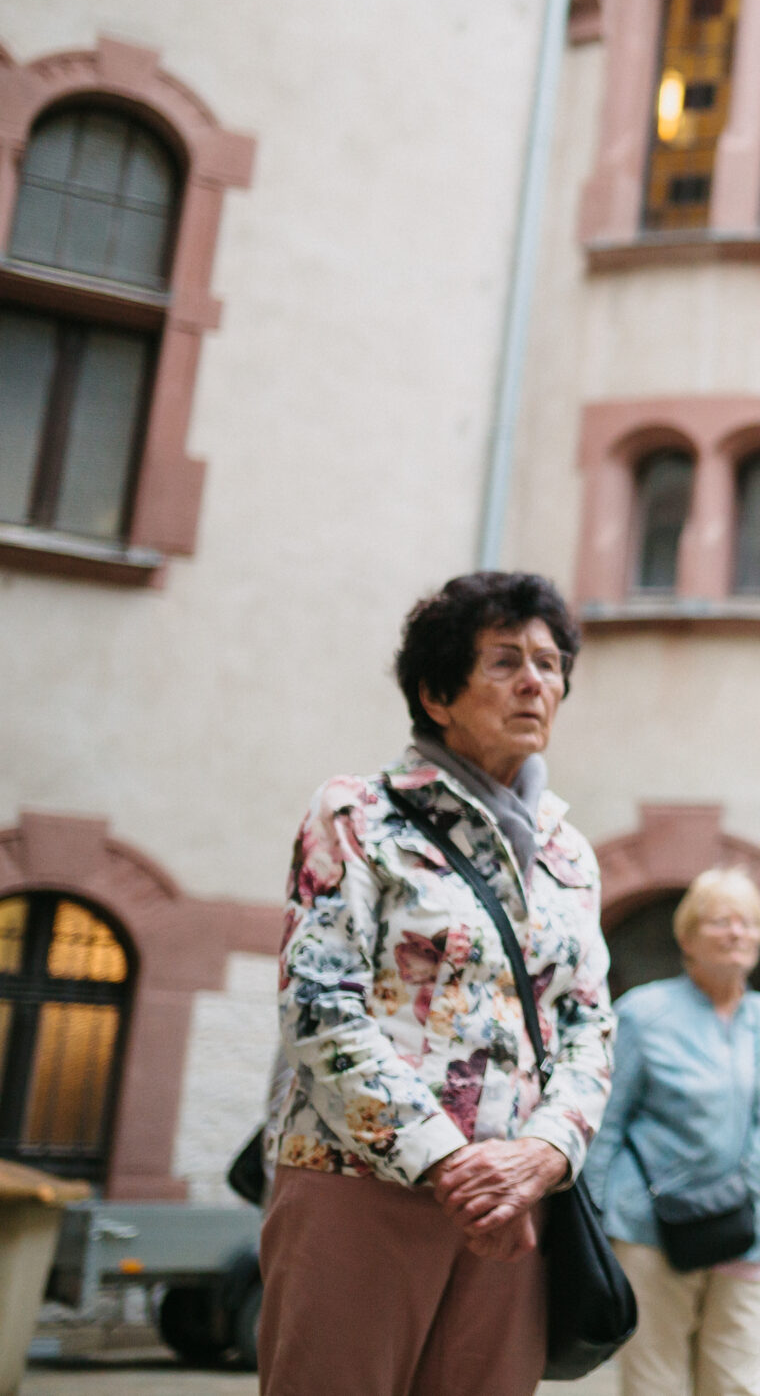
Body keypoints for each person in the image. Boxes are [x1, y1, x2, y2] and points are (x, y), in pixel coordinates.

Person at [261, 572, 614, 1395]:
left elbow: (590, 1026)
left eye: (550, 662)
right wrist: (446, 1161)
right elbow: (319, 1007)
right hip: (358, 1185)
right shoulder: (358, 814)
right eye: (504, 661)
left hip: (512, 1207)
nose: (537, 680)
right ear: (436, 692)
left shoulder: (570, 856)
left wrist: (543, 1152)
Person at [590, 867, 760, 1396]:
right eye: (719, 921)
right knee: (654, 1384)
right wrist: (596, 1231)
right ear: (687, 936)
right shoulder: (642, 1014)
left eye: (748, 922)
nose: (736, 933)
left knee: (738, 1384)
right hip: (649, 1231)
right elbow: (605, 1127)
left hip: (750, 1234)